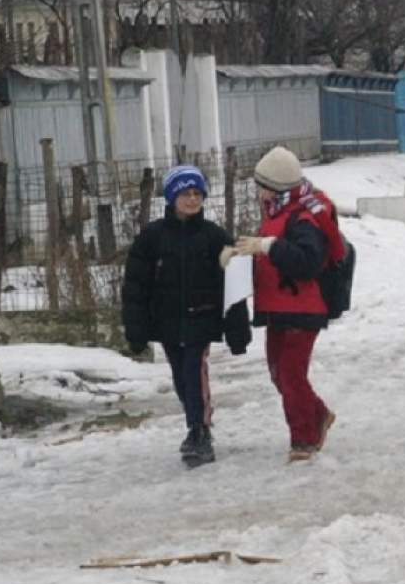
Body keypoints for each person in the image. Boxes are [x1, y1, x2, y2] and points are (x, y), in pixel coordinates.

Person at [122, 164, 251, 468]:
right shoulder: (152, 237)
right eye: (185, 193)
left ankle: (200, 431)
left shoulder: (214, 236)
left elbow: (235, 286)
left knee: (195, 373)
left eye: (197, 194)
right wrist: (136, 327)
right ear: (171, 197)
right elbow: (136, 286)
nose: (192, 200)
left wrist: (237, 331)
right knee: (181, 377)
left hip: (201, 319)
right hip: (166, 321)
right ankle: (194, 424)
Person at [233, 146, 346, 462]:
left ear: (276, 187)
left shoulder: (305, 218)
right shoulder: (277, 212)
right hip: (278, 308)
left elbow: (308, 263)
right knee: (278, 374)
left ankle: (304, 440)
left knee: (291, 375)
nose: (257, 192)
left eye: (261, 186)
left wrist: (269, 246)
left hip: (303, 310)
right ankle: (318, 414)